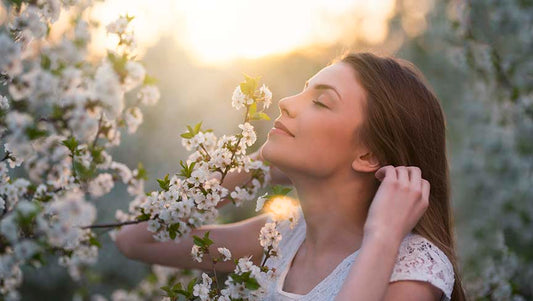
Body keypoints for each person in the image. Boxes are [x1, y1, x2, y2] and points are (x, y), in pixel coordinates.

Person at [114, 52, 466, 301]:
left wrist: (383, 235)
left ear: (368, 155)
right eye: (303, 89)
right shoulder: (281, 238)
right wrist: (256, 168)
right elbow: (135, 239)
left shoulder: (411, 268)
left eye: (322, 102)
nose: (285, 102)